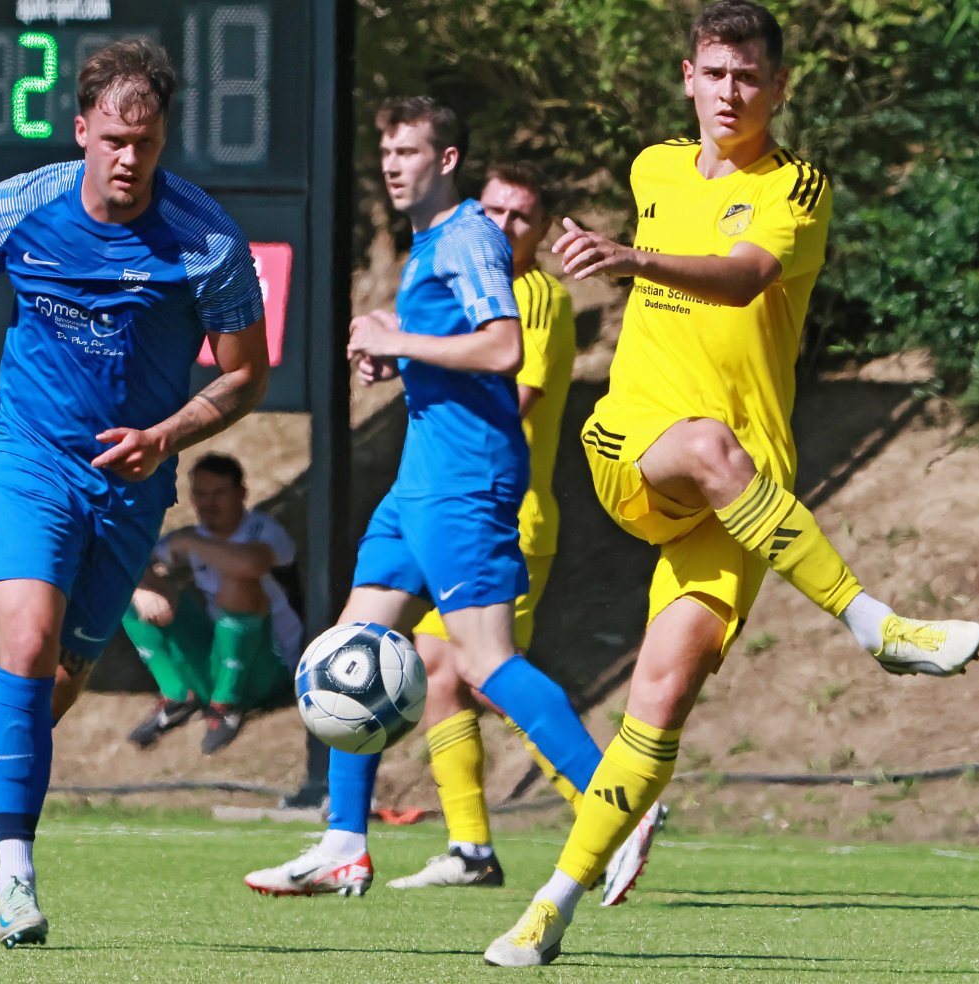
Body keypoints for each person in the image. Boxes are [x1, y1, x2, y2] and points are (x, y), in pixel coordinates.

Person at [484, 1, 979, 966]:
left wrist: (627, 257)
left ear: (779, 87)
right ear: (687, 77)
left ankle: (548, 906)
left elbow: (745, 276)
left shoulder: (798, 185)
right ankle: (873, 622)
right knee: (709, 442)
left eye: (749, 77)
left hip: (744, 489)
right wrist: (624, 255)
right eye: (714, 74)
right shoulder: (654, 166)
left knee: (661, 702)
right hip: (637, 445)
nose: (730, 92)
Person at [0, 39, 270, 948]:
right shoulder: (20, 206)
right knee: (26, 643)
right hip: (29, 457)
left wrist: (168, 435)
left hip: (132, 483)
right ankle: (16, 876)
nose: (129, 158)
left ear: (163, 136)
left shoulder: (207, 240)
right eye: (112, 139)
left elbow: (248, 375)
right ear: (82, 132)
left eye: (145, 139)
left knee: (62, 674)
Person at [244, 97, 608, 898]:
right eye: (386, 153)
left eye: (407, 152)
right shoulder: (430, 244)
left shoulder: (471, 235)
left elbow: (505, 346)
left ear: (446, 161)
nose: (392, 165)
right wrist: (396, 356)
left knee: (484, 661)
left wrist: (398, 340)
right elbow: (450, 355)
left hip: (465, 479)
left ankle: (615, 810)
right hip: (419, 482)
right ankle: (345, 842)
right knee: (351, 645)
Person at [387, 162, 666, 894]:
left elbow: (512, 400)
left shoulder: (532, 297)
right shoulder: (466, 287)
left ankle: (613, 805)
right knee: (443, 672)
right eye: (496, 210)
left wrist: (414, 361)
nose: (506, 225)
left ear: (543, 232)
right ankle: (472, 848)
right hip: (457, 508)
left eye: (523, 216)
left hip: (504, 514)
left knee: (484, 675)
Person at [123, 452, 302, 755]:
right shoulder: (194, 535)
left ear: (241, 494)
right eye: (201, 494)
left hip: (272, 663)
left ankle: (226, 705)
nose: (209, 504)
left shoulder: (263, 530)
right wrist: (142, 589)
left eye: (219, 493)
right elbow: (130, 564)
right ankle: (177, 695)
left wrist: (192, 543)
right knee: (127, 590)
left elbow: (249, 565)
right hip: (221, 652)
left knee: (235, 583)